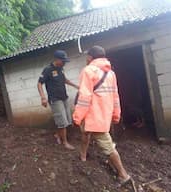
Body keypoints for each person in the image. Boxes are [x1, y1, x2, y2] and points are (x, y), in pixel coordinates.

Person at [73, 46, 131, 184]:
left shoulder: (88, 71)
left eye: (87, 56)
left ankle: (123, 175)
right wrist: (116, 115)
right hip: (104, 115)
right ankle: (83, 156)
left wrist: (77, 116)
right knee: (85, 133)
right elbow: (115, 96)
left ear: (90, 57)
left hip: (93, 116)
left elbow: (84, 97)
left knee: (107, 146)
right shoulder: (111, 73)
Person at [37, 50, 79, 150]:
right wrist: (43, 98)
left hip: (64, 97)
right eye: (63, 61)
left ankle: (57, 135)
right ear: (57, 59)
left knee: (66, 119)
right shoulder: (48, 69)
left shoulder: (61, 68)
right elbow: (39, 84)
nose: (64, 63)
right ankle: (65, 143)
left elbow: (65, 80)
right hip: (55, 99)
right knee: (63, 122)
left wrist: (77, 86)